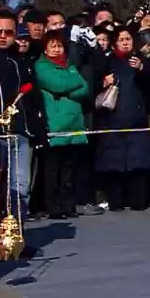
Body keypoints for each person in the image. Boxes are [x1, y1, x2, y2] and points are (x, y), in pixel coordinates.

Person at [0, 10, 48, 220]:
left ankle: (16, 238)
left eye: (8, 31)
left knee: (20, 189)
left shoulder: (22, 62)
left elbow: (33, 99)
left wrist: (39, 131)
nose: (3, 36)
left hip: (20, 134)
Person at [94, 26, 150, 211]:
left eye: (128, 39)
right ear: (114, 44)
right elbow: (92, 83)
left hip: (136, 118)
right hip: (112, 119)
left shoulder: (139, 60)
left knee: (138, 163)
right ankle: (116, 200)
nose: (125, 42)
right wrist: (103, 82)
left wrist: (142, 68)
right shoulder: (106, 62)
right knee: (114, 163)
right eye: (121, 40)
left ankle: (138, 199)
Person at [35, 31, 90, 219]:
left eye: (60, 46)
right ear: (45, 49)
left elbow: (84, 88)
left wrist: (68, 91)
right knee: (53, 170)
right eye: (53, 46)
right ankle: (54, 207)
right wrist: (69, 86)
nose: (57, 49)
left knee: (69, 169)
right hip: (55, 125)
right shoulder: (41, 67)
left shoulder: (70, 66)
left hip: (74, 124)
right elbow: (57, 85)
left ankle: (68, 205)